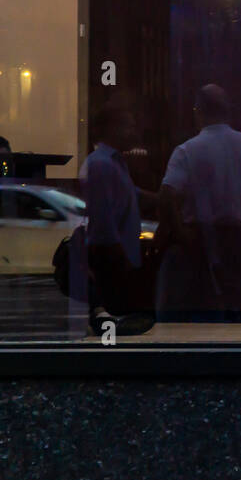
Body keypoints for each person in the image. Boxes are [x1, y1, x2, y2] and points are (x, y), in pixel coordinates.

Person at [157, 84, 241, 317]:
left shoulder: (187, 150)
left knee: (200, 307)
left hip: (199, 240)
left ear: (198, 111)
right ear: (228, 110)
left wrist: (180, 232)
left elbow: (168, 195)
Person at [81, 101, 150, 336]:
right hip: (110, 260)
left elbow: (130, 194)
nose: (133, 132)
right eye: (127, 126)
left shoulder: (114, 163)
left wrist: (160, 198)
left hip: (118, 258)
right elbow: (103, 222)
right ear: (111, 128)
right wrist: (119, 257)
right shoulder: (101, 164)